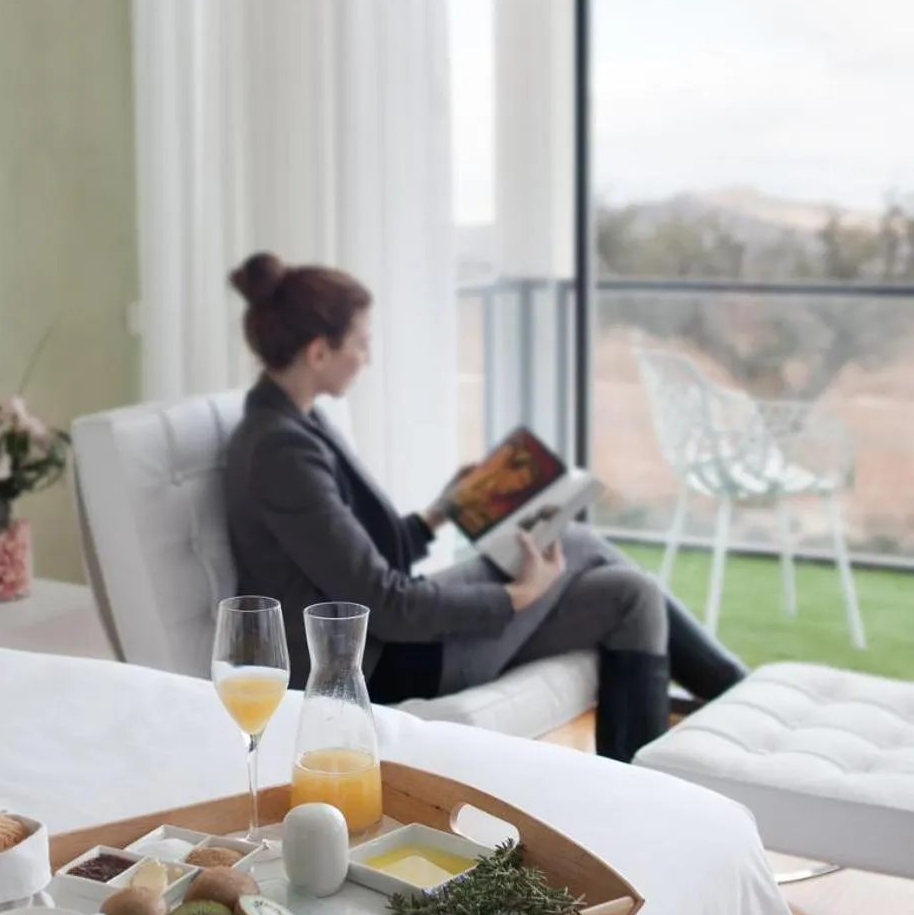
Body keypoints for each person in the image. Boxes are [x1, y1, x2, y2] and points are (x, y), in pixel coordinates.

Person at [223, 252, 746, 762]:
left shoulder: (294, 421)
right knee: (580, 544)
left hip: (392, 635)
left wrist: (439, 512)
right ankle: (734, 692)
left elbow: (357, 561)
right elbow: (384, 603)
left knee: (632, 594)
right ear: (319, 352)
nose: (367, 357)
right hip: (383, 662)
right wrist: (519, 596)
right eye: (361, 343)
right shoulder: (281, 450)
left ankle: (656, 770)